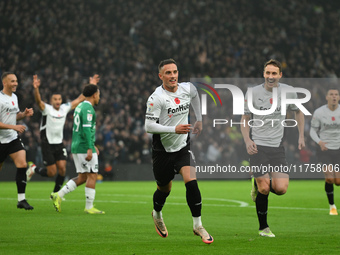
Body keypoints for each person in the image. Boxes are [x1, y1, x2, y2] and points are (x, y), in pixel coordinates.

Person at [145, 59, 213, 244]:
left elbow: (196, 96)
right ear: (161, 76)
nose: (173, 76)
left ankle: (198, 225)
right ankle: (157, 213)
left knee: (191, 182)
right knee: (164, 189)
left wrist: (199, 119)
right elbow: (149, 126)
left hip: (183, 146)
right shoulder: (156, 98)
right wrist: (173, 129)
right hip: (162, 151)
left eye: (175, 72)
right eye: (168, 73)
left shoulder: (187, 88)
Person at [240, 59, 305, 237]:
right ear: (263, 74)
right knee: (264, 189)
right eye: (268, 73)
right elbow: (245, 118)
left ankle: (256, 182)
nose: (270, 76)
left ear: (280, 75)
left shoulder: (288, 92)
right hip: (258, 146)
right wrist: (247, 140)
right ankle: (263, 228)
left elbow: (298, 112)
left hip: (277, 147)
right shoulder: (253, 92)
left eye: (274, 73)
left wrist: (301, 135)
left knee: (281, 189)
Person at [26, 74, 100, 195]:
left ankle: (55, 194)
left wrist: (92, 86)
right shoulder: (47, 109)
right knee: (51, 172)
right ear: (51, 101)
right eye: (55, 99)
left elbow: (80, 99)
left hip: (59, 143)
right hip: (47, 142)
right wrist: (36, 89)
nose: (57, 101)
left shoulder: (64, 108)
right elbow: (38, 101)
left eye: (59, 99)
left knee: (62, 169)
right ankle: (34, 168)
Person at [50, 84, 104, 214]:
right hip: (84, 147)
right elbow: (86, 129)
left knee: (83, 177)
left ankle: (59, 194)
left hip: (77, 145)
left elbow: (83, 129)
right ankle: (89, 207)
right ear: (94, 95)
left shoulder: (80, 106)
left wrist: (92, 145)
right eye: (99, 95)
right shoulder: (88, 108)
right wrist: (90, 148)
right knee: (92, 175)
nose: (99, 98)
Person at [0, 72, 35, 210]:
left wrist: (23, 114)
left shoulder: (14, 97)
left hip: (12, 138)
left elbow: (14, 116)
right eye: (12, 81)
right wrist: (14, 126)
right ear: (5, 83)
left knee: (22, 164)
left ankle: (21, 199)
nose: (16, 83)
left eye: (16, 81)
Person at [310, 88, 340, 215]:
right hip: (325, 149)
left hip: (338, 148)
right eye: (331, 94)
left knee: (338, 181)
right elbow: (312, 130)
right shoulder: (319, 112)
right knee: (329, 179)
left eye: (336, 94)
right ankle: (332, 206)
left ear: (338, 97)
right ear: (326, 97)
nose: (334, 97)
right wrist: (319, 142)